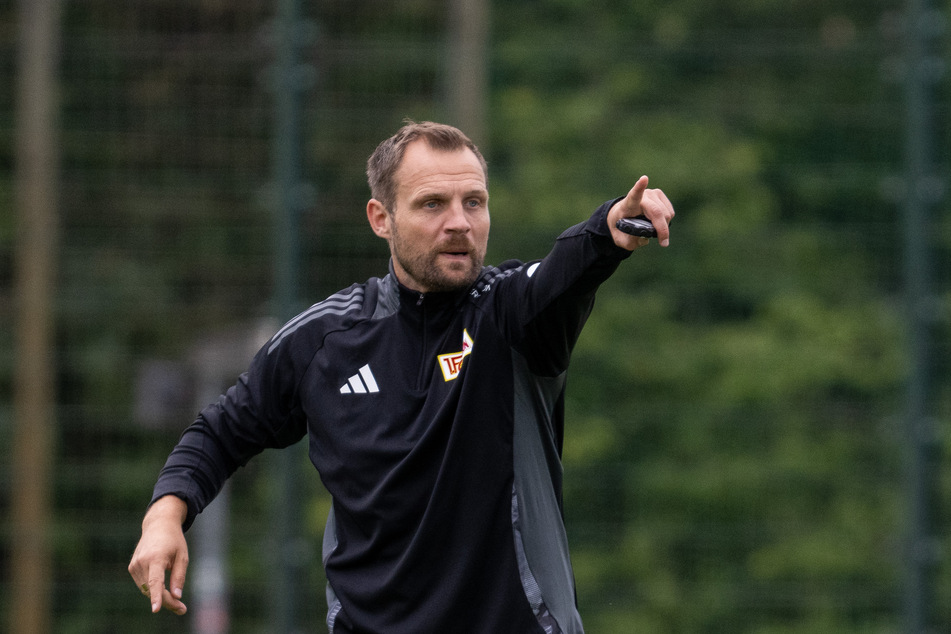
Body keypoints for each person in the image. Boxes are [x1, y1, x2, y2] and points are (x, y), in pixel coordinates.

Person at [128, 121, 674, 633]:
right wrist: (164, 517)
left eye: (474, 202)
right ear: (380, 218)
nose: (459, 221)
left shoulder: (513, 314)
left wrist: (609, 230)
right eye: (432, 204)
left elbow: (566, 270)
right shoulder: (325, 340)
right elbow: (221, 431)